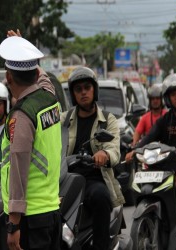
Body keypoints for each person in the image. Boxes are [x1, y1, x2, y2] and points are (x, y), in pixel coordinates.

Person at [0, 35, 62, 250]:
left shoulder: (22, 115)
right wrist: (23, 46)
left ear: (8, 77)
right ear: (36, 72)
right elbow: (44, 79)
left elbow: (18, 168)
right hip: (51, 209)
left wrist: (13, 226)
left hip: (30, 218)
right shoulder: (50, 99)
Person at [125, 73, 176, 241]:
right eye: (173, 95)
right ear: (167, 98)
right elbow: (149, 137)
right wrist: (136, 149)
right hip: (164, 166)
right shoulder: (164, 119)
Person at [61, 66, 124, 250]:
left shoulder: (107, 119)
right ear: (73, 94)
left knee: (100, 197)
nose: (83, 93)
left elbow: (114, 149)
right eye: (78, 89)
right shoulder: (63, 120)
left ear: (94, 89)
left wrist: (104, 154)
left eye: (87, 87)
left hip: (93, 179)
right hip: (65, 178)